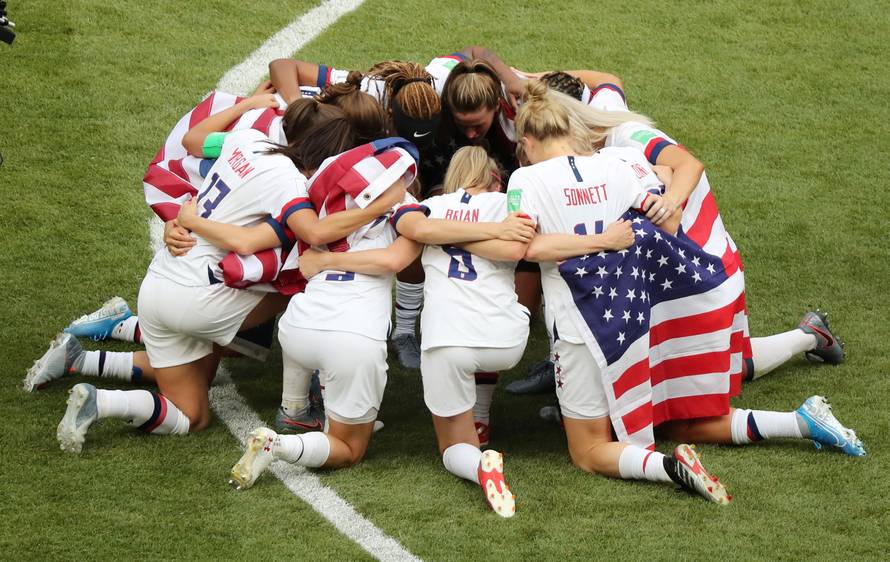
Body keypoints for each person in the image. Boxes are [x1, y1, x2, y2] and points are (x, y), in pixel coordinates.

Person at [507, 81, 865, 504]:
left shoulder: (525, 179)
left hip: (581, 324)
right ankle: (801, 422)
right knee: (679, 423)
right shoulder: (619, 163)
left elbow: (526, 248)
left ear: (527, 141)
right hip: (637, 317)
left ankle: (670, 468)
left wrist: (597, 241)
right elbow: (670, 221)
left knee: (587, 450)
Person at [53, 98, 404, 454]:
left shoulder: (247, 139)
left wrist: (248, 103)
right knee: (298, 282)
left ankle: (93, 384)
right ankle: (298, 402)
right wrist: (381, 204)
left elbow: (194, 139)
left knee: (192, 412)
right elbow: (308, 233)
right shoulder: (289, 184)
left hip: (159, 282)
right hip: (199, 299)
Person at [224, 145, 537, 491]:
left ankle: (294, 407)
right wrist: (493, 229)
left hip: (299, 325)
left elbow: (314, 233)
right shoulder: (413, 205)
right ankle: (283, 443)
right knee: (348, 447)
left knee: (324, 346)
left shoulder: (330, 204)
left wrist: (326, 260)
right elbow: (396, 258)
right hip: (362, 336)